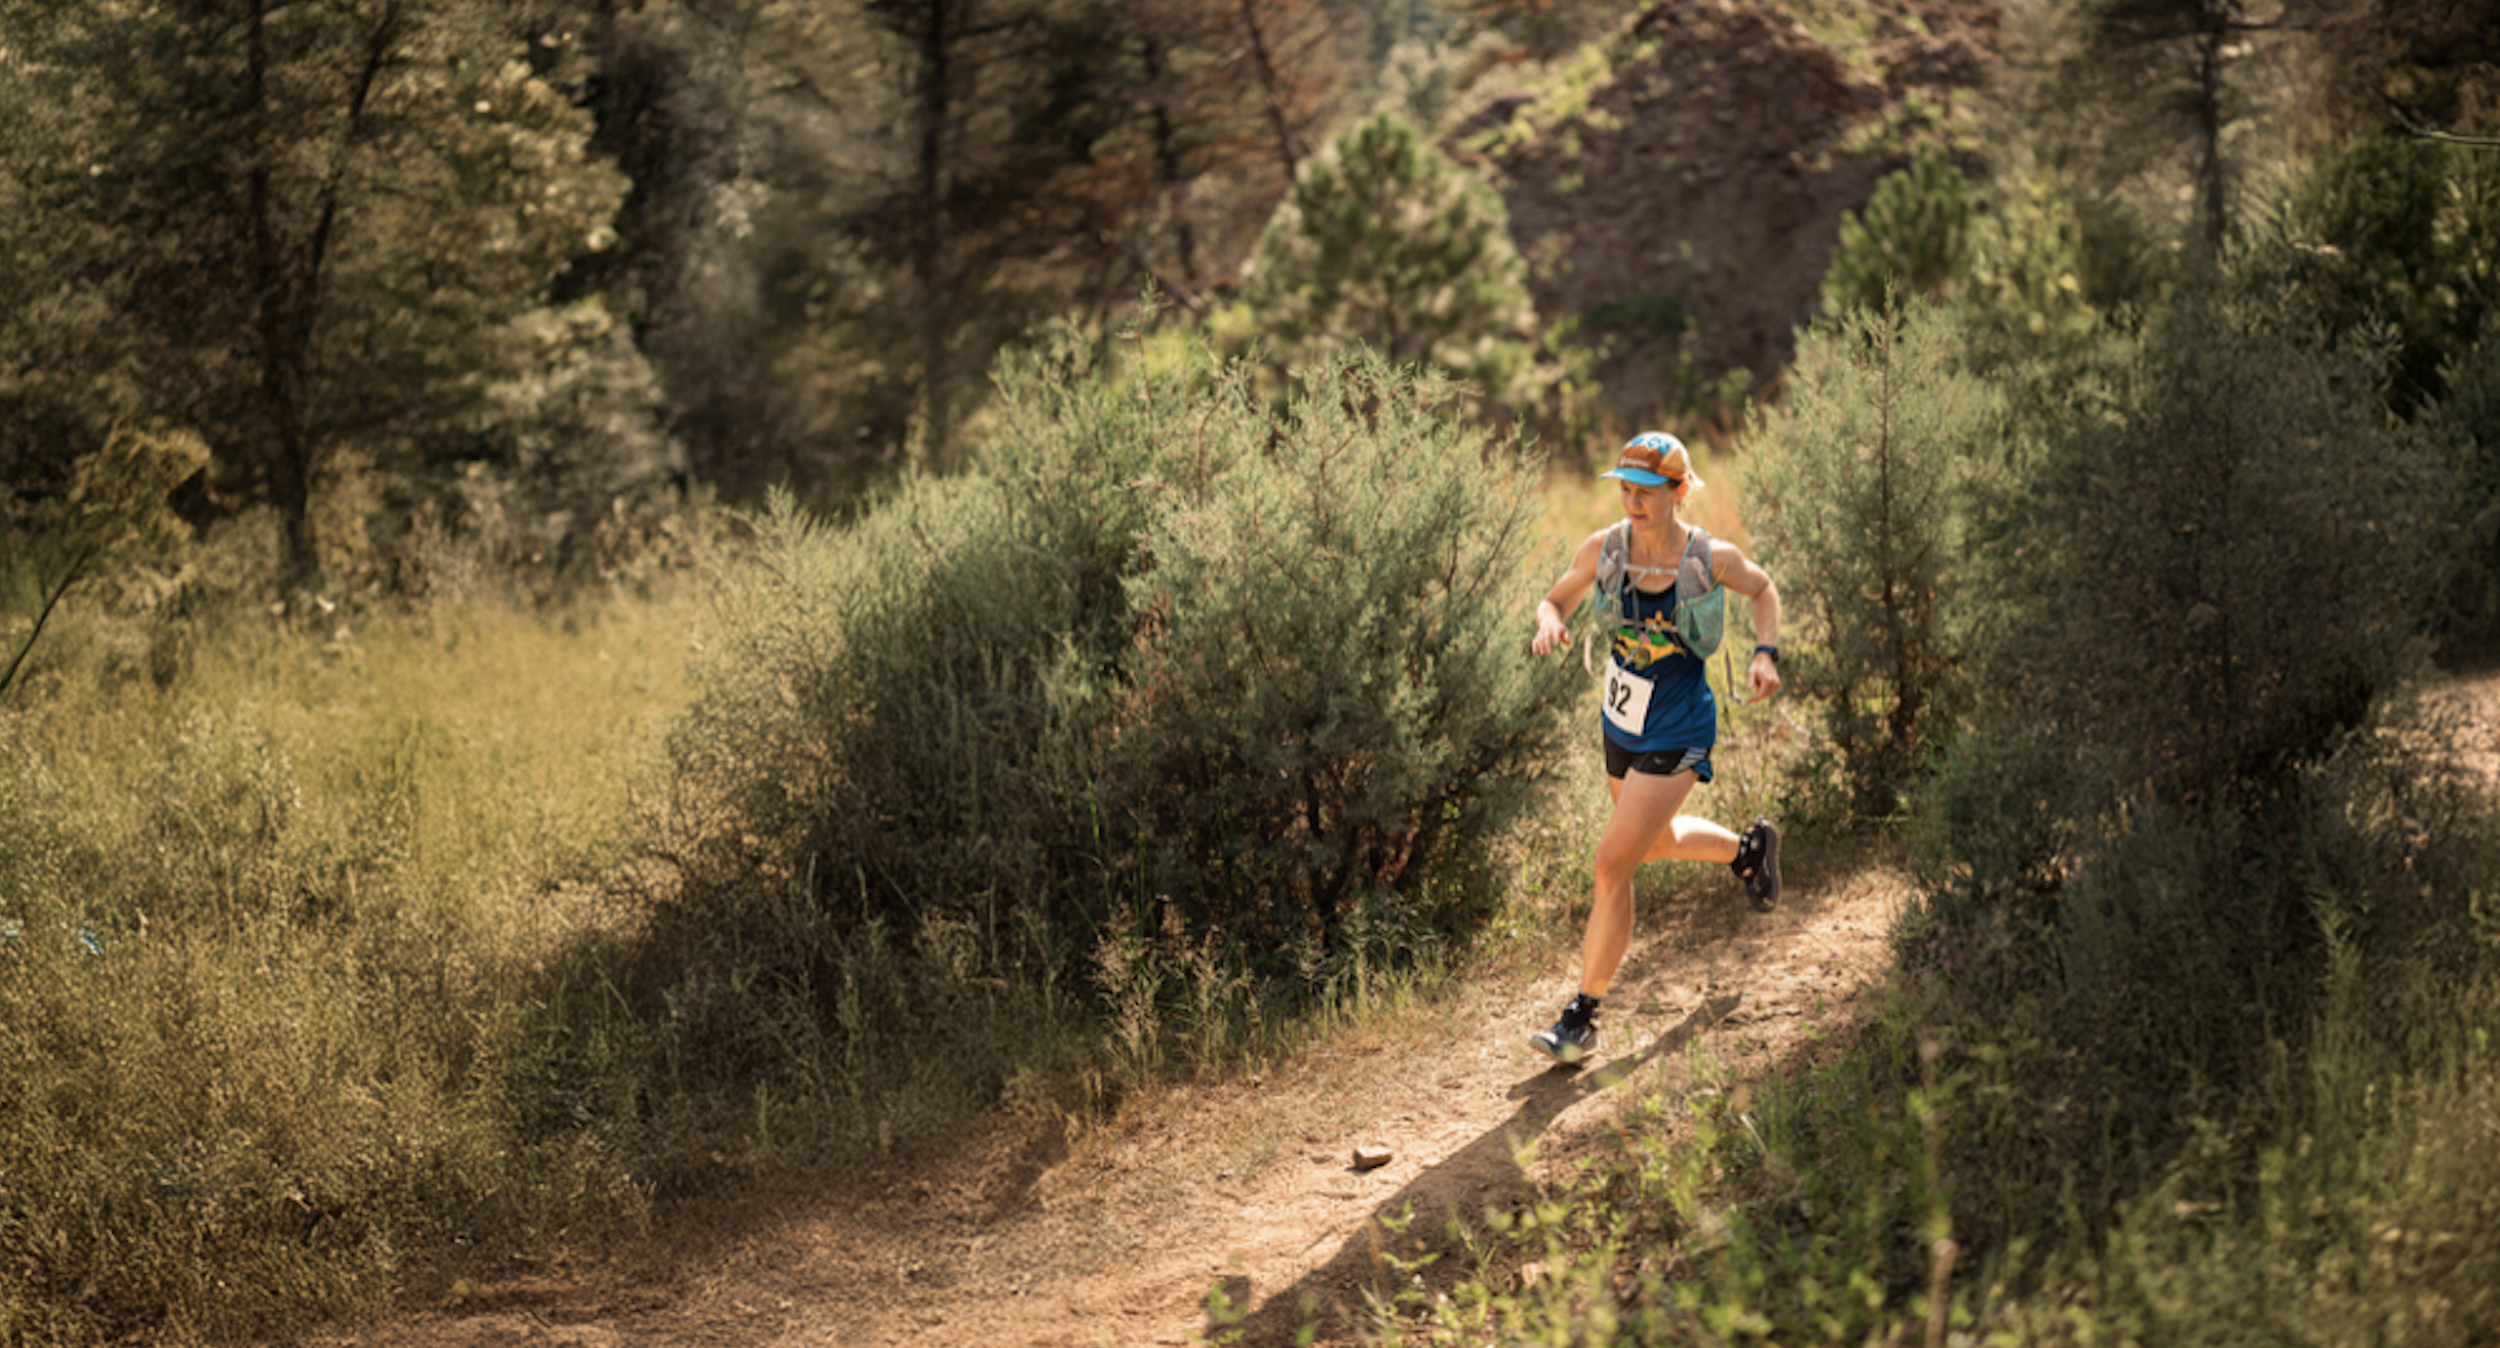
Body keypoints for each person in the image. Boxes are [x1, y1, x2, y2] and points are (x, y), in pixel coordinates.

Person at [1525, 431, 1784, 1063]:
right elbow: (1556, 595)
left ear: (1678, 491)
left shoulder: (1709, 557)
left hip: (1679, 728)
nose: (1632, 501)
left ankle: (1582, 1018)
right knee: (1654, 842)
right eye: (1625, 489)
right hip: (1622, 724)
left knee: (1612, 862)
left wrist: (1765, 653)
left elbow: (1763, 588)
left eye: (1646, 491)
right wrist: (1551, 620)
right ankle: (1748, 852)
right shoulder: (1606, 547)